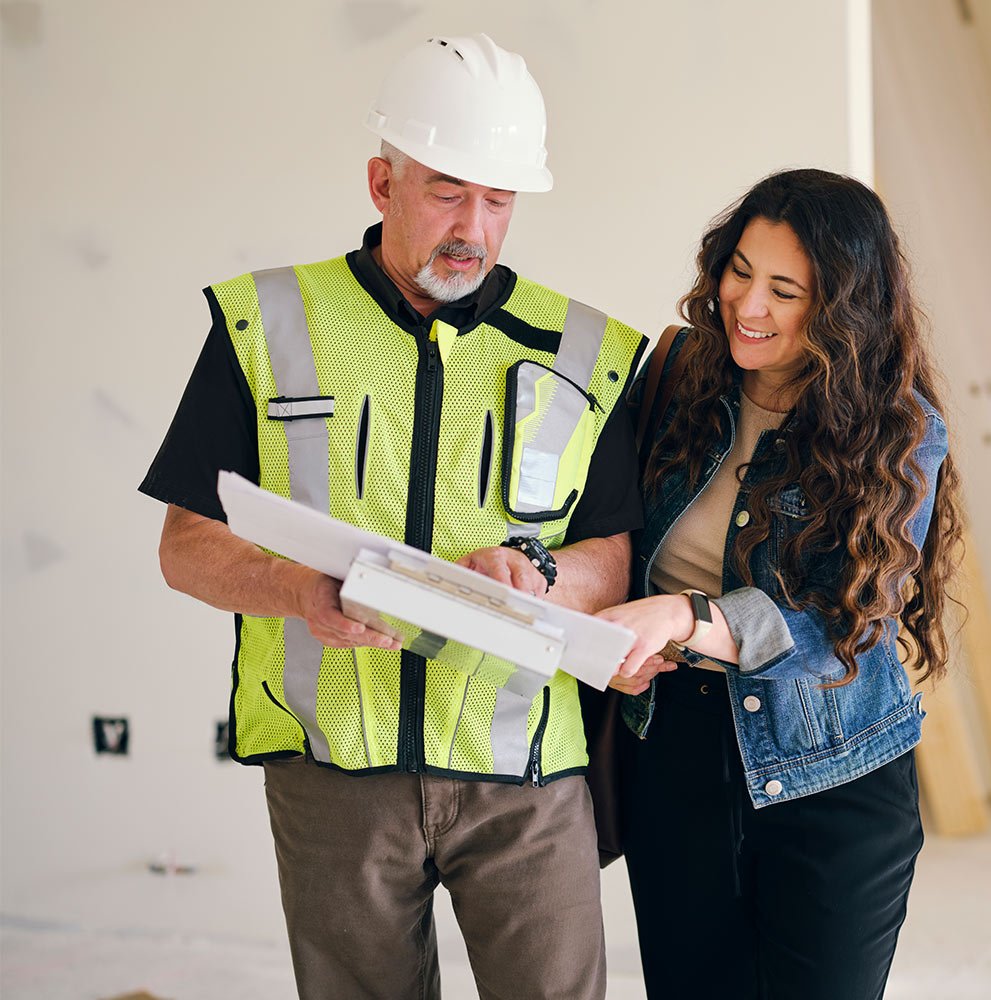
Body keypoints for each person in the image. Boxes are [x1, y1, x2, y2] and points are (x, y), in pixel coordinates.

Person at [139, 34, 645, 1000]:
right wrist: (298, 590)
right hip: (333, 769)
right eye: (448, 191)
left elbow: (612, 556)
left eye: (498, 201)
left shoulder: (590, 350)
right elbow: (186, 546)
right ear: (382, 182)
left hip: (524, 770)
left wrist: (535, 574)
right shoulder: (267, 322)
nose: (474, 227)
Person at [599, 168, 963, 1000]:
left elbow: (845, 623)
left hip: (832, 771)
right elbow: (610, 539)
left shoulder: (898, 430)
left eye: (784, 289)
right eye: (739, 271)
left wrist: (686, 618)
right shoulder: (675, 380)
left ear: (841, 309)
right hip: (675, 759)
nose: (747, 306)